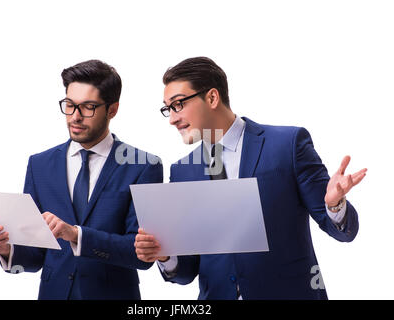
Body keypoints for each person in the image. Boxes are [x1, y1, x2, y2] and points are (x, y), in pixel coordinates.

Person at [134, 56, 367, 299]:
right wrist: (164, 253)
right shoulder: (183, 171)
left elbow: (343, 232)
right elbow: (186, 271)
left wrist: (334, 204)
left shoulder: (287, 145)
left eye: (178, 104)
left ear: (212, 98)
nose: (172, 118)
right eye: (167, 109)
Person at [0, 59, 163, 300]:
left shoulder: (144, 166)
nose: (75, 117)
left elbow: (141, 255)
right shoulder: (39, 165)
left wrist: (77, 235)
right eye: (69, 105)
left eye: (88, 107)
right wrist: (5, 248)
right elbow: (35, 257)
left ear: (112, 109)